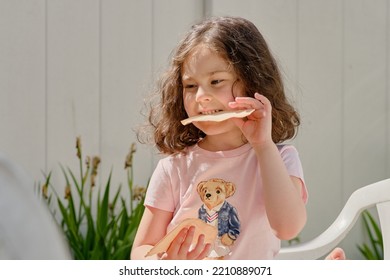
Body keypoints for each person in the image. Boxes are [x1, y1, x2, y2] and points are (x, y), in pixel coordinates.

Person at [132, 15, 311, 260]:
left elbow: (287, 227)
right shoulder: (173, 168)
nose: (201, 96)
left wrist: (263, 145)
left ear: (252, 82)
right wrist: (165, 264)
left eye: (216, 81)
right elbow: (140, 251)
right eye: (191, 86)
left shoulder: (280, 159)